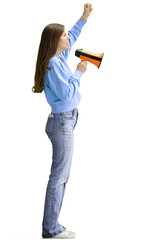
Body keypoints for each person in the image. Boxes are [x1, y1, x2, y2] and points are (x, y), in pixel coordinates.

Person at [32, 3, 93, 239]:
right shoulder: (53, 65)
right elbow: (67, 94)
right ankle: (51, 229)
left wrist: (84, 17)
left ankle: (53, 225)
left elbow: (75, 35)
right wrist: (78, 72)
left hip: (66, 121)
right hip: (62, 123)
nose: (69, 37)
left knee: (61, 177)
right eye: (64, 35)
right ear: (55, 40)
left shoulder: (58, 56)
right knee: (58, 177)